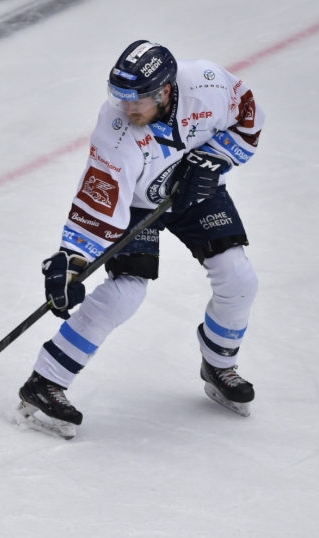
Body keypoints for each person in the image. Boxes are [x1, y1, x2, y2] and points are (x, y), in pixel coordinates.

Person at [18, 41, 263, 439]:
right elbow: (101, 197)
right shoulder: (115, 130)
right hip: (134, 204)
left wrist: (215, 159)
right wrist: (73, 258)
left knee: (238, 277)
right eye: (120, 97)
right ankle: (45, 381)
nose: (127, 108)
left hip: (194, 189)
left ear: (165, 90)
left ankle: (219, 363)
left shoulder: (209, 83)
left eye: (137, 100)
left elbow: (249, 118)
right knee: (125, 293)